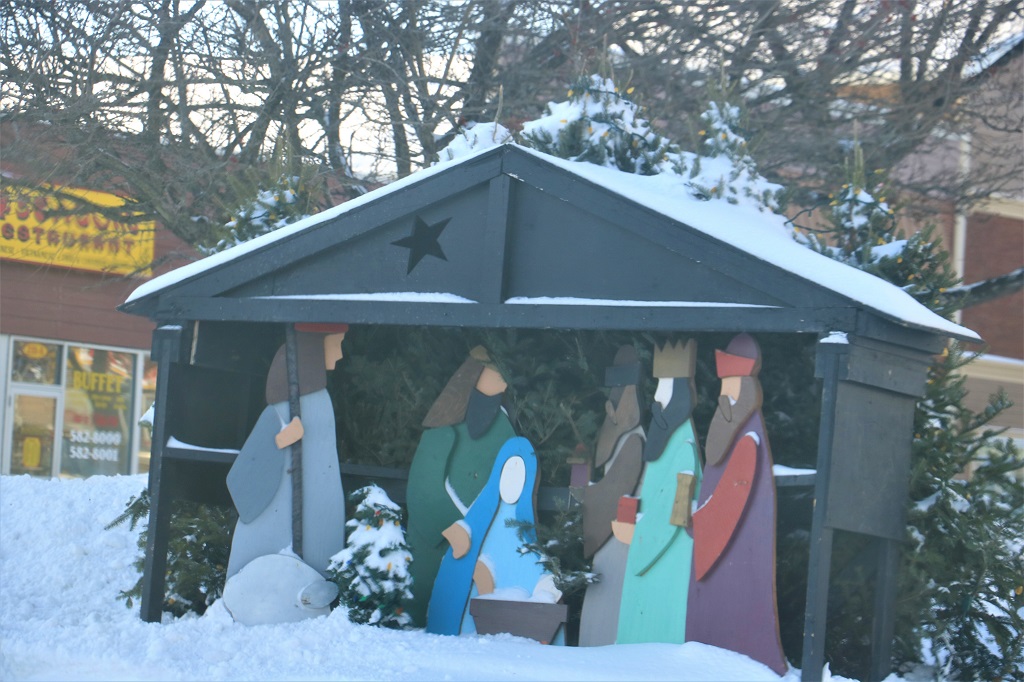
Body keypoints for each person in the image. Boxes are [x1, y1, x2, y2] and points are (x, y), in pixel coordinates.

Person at [222, 323, 348, 624]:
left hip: (317, 501)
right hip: (275, 512)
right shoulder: (282, 408)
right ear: (313, 353)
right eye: (336, 344)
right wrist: (280, 440)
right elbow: (245, 469)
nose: (341, 354)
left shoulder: (319, 401)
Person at [686, 333, 787, 676]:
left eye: (730, 387)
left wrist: (699, 524)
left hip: (737, 545)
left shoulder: (747, 439)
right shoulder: (727, 437)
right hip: (720, 539)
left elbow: (732, 497)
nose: (722, 396)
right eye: (722, 386)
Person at [405, 346, 515, 627]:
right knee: (426, 602)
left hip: (484, 536)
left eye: (503, 379)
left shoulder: (504, 429)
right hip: (439, 538)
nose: (501, 384)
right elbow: (424, 486)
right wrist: (450, 526)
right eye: (495, 376)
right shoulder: (443, 430)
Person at [617, 339, 702, 645]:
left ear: (680, 391)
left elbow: (676, 509)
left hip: (668, 552)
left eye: (664, 386)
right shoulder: (665, 439)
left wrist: (639, 535)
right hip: (649, 539)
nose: (655, 396)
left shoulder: (683, 444)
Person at [578, 345, 645, 647]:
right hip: (609, 535)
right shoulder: (615, 437)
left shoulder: (634, 439)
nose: (610, 405)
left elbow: (619, 486)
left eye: (618, 395)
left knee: (615, 596)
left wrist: (588, 495)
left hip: (621, 535)